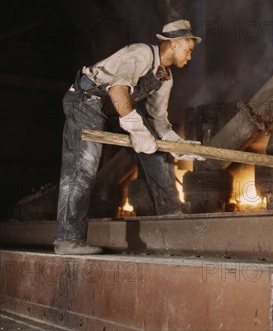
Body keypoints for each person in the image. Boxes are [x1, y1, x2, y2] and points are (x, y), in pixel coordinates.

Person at [54, 19, 203, 255]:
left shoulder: (165, 78)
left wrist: (177, 144)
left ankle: (172, 219)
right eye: (189, 49)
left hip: (115, 110)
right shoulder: (142, 53)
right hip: (86, 101)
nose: (190, 57)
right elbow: (117, 89)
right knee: (84, 164)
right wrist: (136, 128)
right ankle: (67, 239)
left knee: (157, 154)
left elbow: (159, 121)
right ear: (174, 44)